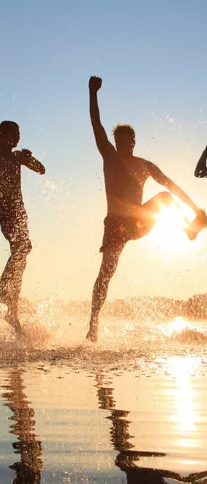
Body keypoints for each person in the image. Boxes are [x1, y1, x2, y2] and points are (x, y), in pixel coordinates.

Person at [87, 76, 206, 342]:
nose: (126, 145)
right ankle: (93, 324)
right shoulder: (109, 155)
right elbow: (96, 124)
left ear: (134, 142)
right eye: (122, 141)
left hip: (138, 221)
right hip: (115, 224)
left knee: (164, 195)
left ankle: (189, 227)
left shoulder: (144, 164)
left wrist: (195, 209)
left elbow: (172, 186)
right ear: (116, 142)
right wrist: (92, 93)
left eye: (130, 141)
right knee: (106, 273)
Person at [0, 62, 46, 336]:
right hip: (5, 206)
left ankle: (12, 312)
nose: (17, 138)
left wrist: (31, 159)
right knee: (20, 251)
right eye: (14, 134)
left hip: (19, 208)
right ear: (3, 134)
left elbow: (43, 171)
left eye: (18, 135)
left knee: (23, 252)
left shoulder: (18, 156)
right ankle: (3, 286)